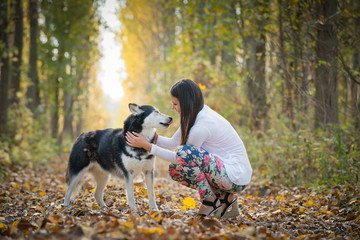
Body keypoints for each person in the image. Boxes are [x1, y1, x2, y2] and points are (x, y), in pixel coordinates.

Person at [125, 79, 252, 219]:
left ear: (186, 103)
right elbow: (174, 143)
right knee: (175, 170)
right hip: (229, 172)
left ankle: (210, 201)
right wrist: (148, 137)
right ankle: (225, 198)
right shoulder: (195, 114)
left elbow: (182, 156)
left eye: (175, 104)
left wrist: (147, 146)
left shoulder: (201, 126)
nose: (173, 107)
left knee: (184, 156)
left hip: (236, 177)